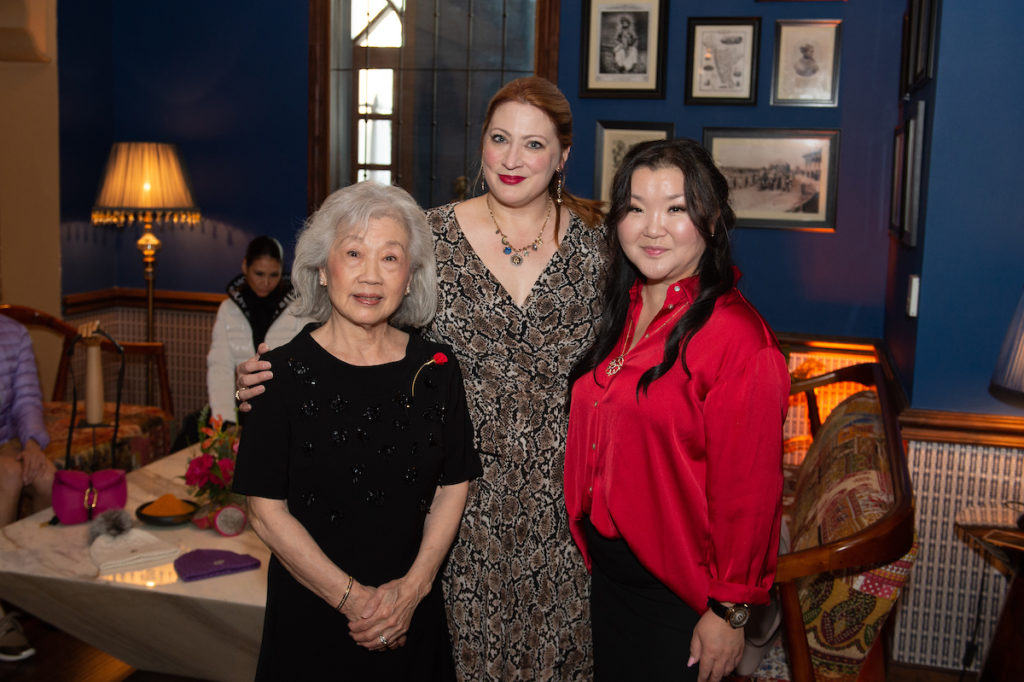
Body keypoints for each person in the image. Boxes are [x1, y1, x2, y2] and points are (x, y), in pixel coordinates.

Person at [236, 77, 607, 681]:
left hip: (559, 514)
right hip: (449, 517)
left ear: (563, 156)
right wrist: (264, 371)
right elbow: (341, 302)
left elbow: (629, 363)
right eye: (499, 138)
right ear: (480, 144)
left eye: (534, 145)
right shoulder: (426, 235)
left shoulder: (599, 252)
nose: (513, 159)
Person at [232, 182, 482, 680]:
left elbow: (456, 483)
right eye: (353, 253)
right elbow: (264, 511)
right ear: (323, 270)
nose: (371, 275)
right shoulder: (275, 376)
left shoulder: (436, 368)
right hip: (313, 625)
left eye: (390, 258)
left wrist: (411, 590)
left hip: (413, 616)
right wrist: (355, 602)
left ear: (410, 277)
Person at [564, 138, 790, 682]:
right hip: (610, 576)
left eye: (676, 208)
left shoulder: (738, 339)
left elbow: (750, 495)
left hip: (678, 596)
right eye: (635, 208)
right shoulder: (628, 307)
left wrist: (729, 612)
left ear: (710, 221)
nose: (652, 227)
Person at [206, 236, 310, 425]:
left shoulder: (299, 308)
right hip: (242, 405)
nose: (266, 282)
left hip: (287, 411)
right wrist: (224, 419)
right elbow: (220, 367)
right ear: (245, 267)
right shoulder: (228, 309)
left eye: (274, 275)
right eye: (259, 274)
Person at [0, 314, 56, 661]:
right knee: (7, 475)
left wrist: (33, 442)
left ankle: (31, 585)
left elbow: (26, 400)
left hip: (7, 441)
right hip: (3, 456)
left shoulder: (14, 333)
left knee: (47, 477)